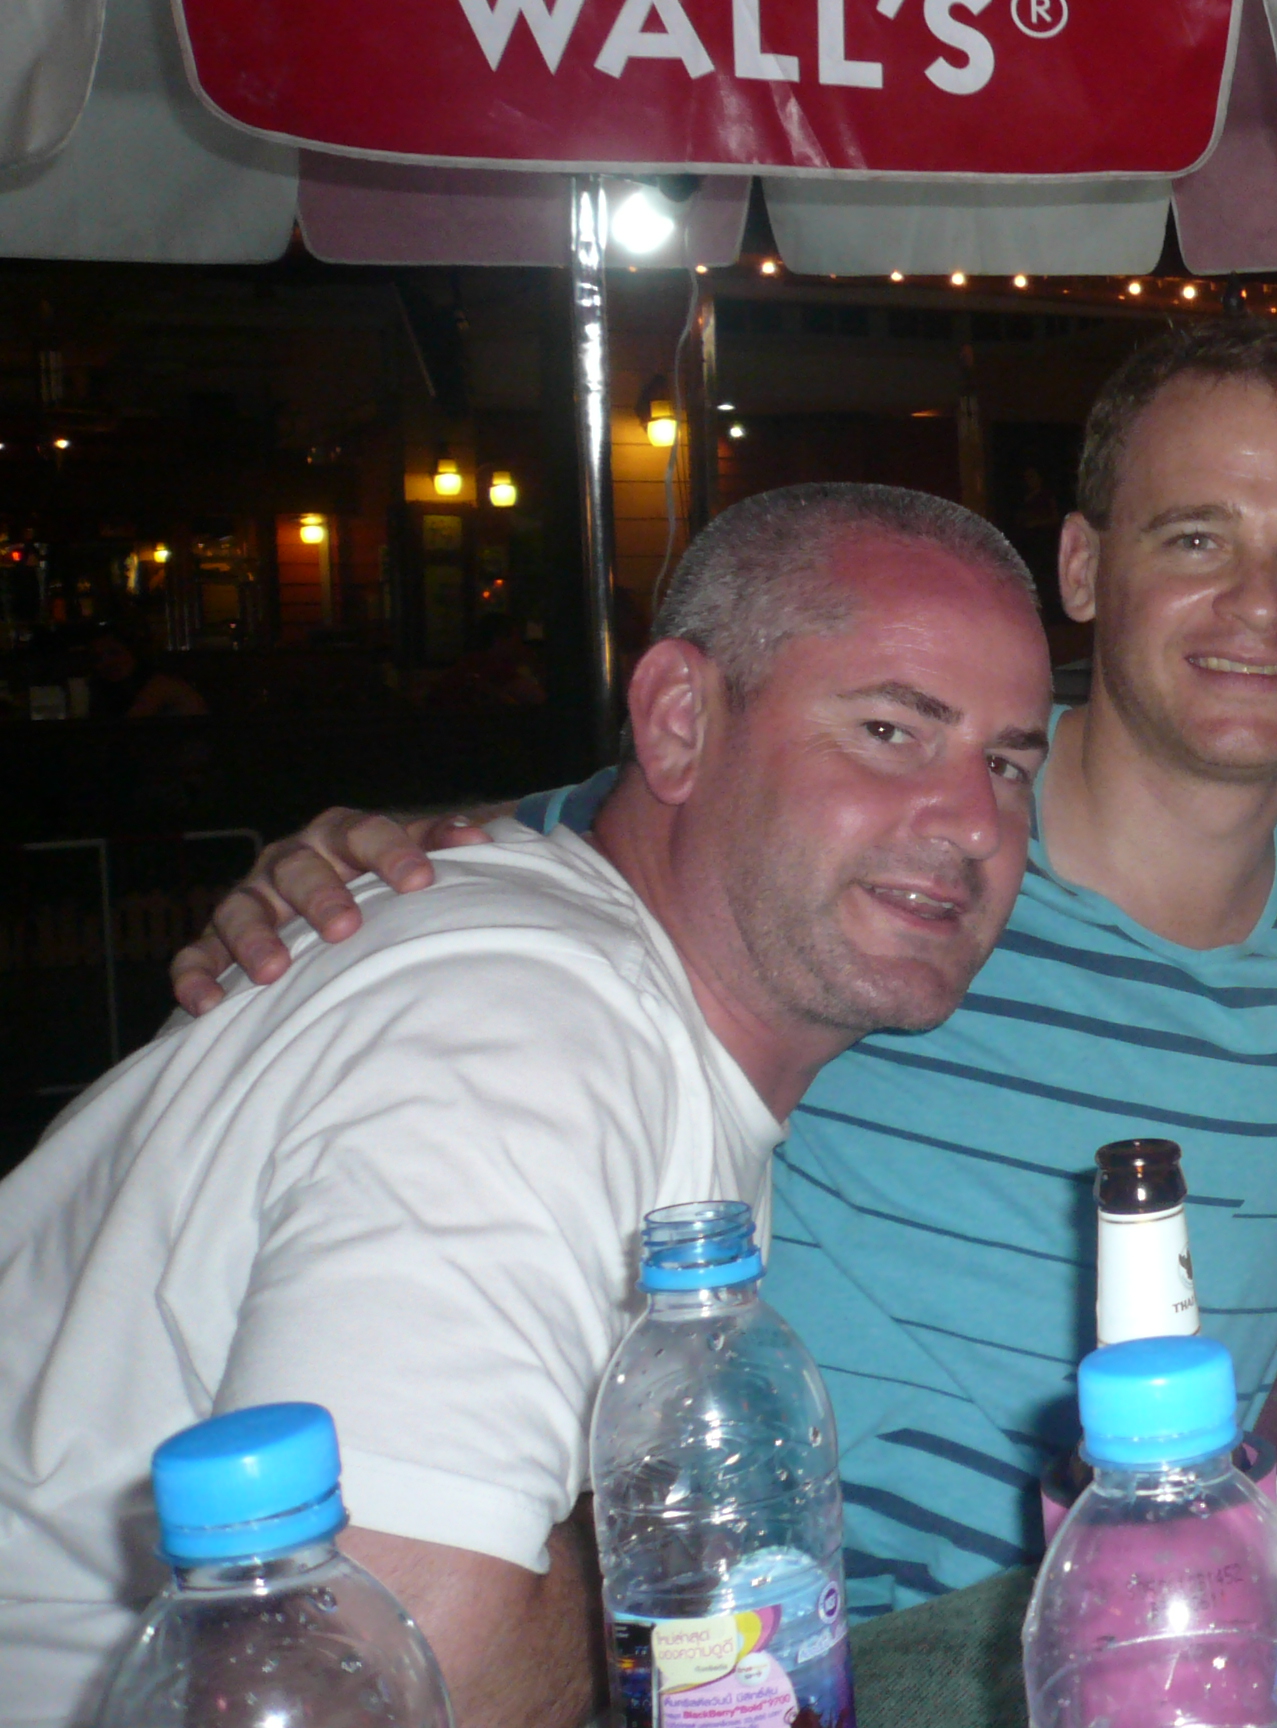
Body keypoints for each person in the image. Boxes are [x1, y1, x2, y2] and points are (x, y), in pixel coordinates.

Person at [165, 323, 1277, 1618]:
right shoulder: (882, 853)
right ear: (1083, 570)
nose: (1257, 603)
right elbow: (582, 849)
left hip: (1123, 1633)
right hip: (758, 1647)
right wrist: (355, 864)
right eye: (1196, 536)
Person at [0, 483, 1053, 1727]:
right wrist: (680, 1545)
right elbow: (391, 1667)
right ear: (678, 722)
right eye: (889, 730)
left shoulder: (592, 989)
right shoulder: (532, 1029)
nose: (974, 822)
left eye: (1006, 764)